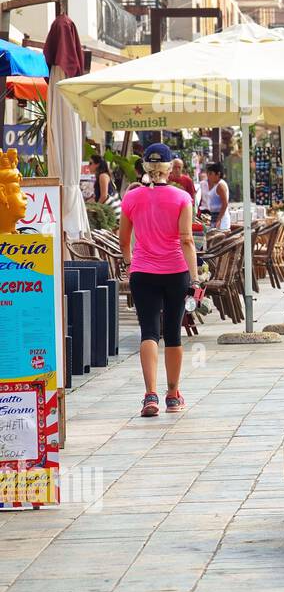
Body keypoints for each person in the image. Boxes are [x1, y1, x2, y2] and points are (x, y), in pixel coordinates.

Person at [119, 143, 201, 417]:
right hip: (176, 271)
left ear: (145, 166)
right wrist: (196, 277)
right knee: (173, 333)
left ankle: (150, 394)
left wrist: (131, 263)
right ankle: (173, 395)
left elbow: (124, 239)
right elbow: (187, 239)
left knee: (149, 331)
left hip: (143, 271)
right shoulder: (181, 198)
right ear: (169, 169)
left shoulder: (131, 198)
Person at [202, 163, 230, 230]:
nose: (208, 176)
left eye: (211, 173)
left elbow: (225, 204)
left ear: (218, 174)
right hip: (215, 217)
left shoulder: (220, 186)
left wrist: (219, 219)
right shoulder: (216, 184)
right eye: (208, 173)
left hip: (221, 221)